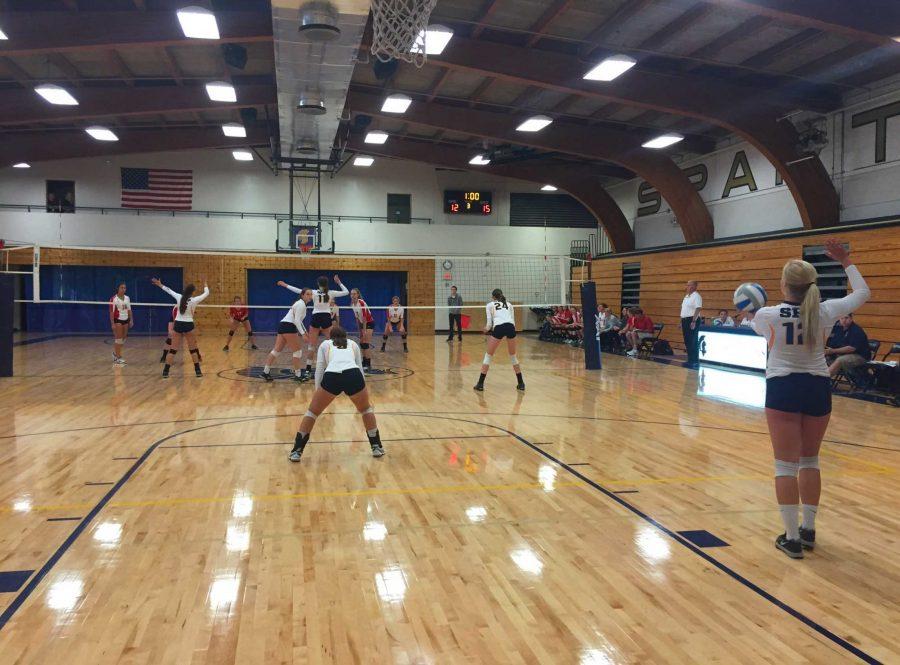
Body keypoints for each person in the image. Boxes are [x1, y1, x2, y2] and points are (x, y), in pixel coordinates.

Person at [749, 239, 870, 559]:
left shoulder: (767, 314)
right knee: (810, 460)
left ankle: (790, 538)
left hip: (783, 388)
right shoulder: (826, 309)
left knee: (784, 465)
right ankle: (809, 529)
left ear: (784, 285)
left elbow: (756, 324)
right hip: (818, 386)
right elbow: (862, 294)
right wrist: (846, 261)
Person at [288, 326, 384, 462]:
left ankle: (296, 451)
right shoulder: (353, 344)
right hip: (353, 375)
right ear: (345, 336)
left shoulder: (325, 344)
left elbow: (320, 368)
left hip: (332, 376)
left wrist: (318, 391)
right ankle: (376, 446)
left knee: (312, 413)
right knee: (366, 409)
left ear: (330, 337)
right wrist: (362, 388)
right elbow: (359, 367)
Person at [287, 275, 348, 377]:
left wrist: (286, 285)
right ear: (327, 283)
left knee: (312, 346)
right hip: (326, 317)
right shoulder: (331, 292)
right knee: (333, 343)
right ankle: (334, 367)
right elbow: (346, 292)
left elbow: (298, 291)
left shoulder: (313, 292)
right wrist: (339, 282)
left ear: (318, 283)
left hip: (316, 317)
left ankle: (308, 370)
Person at [152, 277, 209, 378]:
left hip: (178, 324)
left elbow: (168, 290)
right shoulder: (194, 300)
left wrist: (160, 284)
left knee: (173, 349)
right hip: (189, 325)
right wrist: (205, 284)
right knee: (192, 350)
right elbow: (206, 294)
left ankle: (166, 372)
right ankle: (198, 371)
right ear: (192, 292)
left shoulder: (179, 297)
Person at [474, 288, 524, 392]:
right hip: (510, 327)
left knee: (488, 355)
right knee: (513, 356)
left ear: (493, 297)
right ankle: (521, 383)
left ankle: (480, 384)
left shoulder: (490, 305)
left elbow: (489, 325)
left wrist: (485, 330)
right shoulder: (509, 305)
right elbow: (513, 322)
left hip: (499, 327)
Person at [262, 284, 312, 382]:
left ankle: (265, 372)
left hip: (283, 325)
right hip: (289, 326)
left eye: (311, 294)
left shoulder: (300, 304)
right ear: (302, 295)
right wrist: (303, 334)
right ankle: (297, 375)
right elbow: (297, 321)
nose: (310, 296)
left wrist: (305, 332)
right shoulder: (301, 304)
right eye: (307, 294)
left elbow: (299, 321)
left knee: (276, 351)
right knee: (298, 352)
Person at [825, 313, 871, 378]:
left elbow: (851, 348)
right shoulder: (836, 329)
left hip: (860, 356)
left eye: (846, 318)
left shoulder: (856, 330)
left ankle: (822, 380)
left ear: (851, 318)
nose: (843, 320)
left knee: (840, 360)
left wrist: (833, 351)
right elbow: (830, 343)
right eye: (841, 318)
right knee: (822, 358)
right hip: (841, 354)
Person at [350, 288, 375, 372]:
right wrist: (359, 331)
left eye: (354, 294)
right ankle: (364, 362)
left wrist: (364, 331)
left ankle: (368, 364)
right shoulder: (352, 304)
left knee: (366, 343)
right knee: (362, 343)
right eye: (351, 294)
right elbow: (357, 318)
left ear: (357, 295)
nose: (352, 295)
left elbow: (364, 317)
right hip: (362, 324)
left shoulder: (361, 302)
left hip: (369, 323)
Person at [109, 282, 133, 365]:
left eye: (125, 288)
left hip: (125, 319)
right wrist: (112, 323)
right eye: (122, 288)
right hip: (117, 320)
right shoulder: (113, 299)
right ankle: (118, 357)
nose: (123, 289)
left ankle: (115, 354)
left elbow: (129, 310)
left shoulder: (127, 298)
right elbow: (111, 312)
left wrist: (131, 320)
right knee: (118, 339)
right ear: (118, 289)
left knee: (123, 338)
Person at [681, 280, 703, 366]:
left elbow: (698, 308)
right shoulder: (686, 296)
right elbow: (684, 310)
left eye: (689, 285)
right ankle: (690, 359)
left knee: (692, 340)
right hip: (685, 320)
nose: (687, 287)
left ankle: (694, 360)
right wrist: (681, 321)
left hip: (692, 319)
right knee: (687, 340)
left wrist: (693, 321)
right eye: (687, 285)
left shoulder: (696, 296)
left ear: (694, 286)